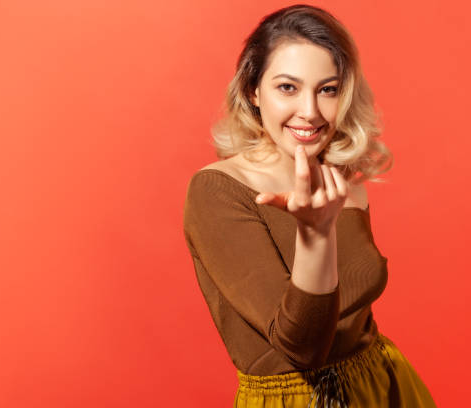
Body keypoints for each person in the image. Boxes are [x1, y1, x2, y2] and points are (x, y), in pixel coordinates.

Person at [183, 4, 437, 407]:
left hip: (384, 387)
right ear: (253, 91)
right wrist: (315, 233)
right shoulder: (217, 191)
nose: (311, 112)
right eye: (288, 87)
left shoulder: (341, 179)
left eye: (328, 89)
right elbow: (302, 347)